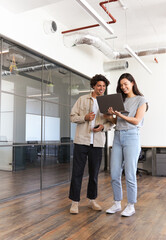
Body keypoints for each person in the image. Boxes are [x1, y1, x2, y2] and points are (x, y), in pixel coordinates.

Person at [69, 74, 113, 214]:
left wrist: (103, 128)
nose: (101, 88)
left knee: (94, 173)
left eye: (104, 86)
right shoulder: (82, 99)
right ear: (93, 86)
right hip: (81, 141)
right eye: (99, 85)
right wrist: (85, 117)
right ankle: (75, 202)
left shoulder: (106, 103)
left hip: (98, 143)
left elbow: (110, 123)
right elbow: (72, 116)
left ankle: (92, 200)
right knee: (77, 173)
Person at [105, 73, 148, 217]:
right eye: (121, 85)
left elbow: (136, 121)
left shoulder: (141, 100)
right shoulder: (120, 101)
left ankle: (131, 205)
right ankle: (117, 203)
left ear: (132, 83)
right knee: (114, 173)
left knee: (130, 173)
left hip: (132, 137)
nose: (123, 87)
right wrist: (110, 115)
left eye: (125, 84)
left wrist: (120, 114)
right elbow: (117, 122)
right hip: (117, 136)